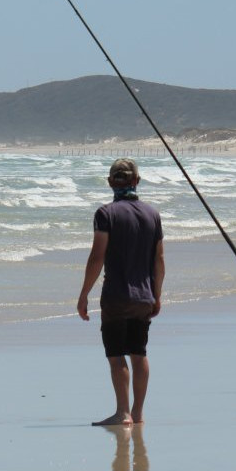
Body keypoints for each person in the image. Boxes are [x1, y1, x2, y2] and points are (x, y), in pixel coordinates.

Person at [77, 158, 165, 426]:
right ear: (136, 180)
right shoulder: (153, 214)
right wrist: (157, 295)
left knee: (116, 356)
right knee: (139, 353)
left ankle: (122, 412)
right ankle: (138, 414)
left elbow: (97, 257)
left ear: (109, 182)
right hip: (143, 297)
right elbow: (159, 260)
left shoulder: (105, 214)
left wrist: (83, 295)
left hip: (116, 296)